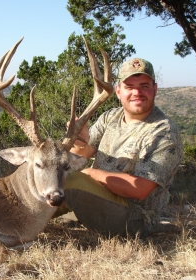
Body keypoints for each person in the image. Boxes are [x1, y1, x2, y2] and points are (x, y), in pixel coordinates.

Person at [58, 57, 183, 238]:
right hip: (99, 199)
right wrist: (79, 142)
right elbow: (80, 157)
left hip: (134, 217)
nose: (137, 92)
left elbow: (139, 189)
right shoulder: (111, 117)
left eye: (144, 86)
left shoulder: (163, 131)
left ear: (155, 89)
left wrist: (91, 174)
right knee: (46, 172)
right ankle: (15, 217)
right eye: (129, 87)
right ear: (118, 91)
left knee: (70, 180)